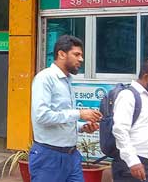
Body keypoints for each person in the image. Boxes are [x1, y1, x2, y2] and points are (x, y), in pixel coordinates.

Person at [30, 35, 102, 182]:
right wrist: (79, 114)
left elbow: (61, 117)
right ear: (62, 54)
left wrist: (82, 127)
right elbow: (41, 116)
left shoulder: (67, 80)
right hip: (48, 157)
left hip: (71, 156)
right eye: (76, 54)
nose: (81, 59)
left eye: (81, 55)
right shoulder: (45, 78)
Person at [111, 58, 148, 182]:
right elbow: (120, 130)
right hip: (135, 167)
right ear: (146, 77)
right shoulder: (128, 96)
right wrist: (132, 161)